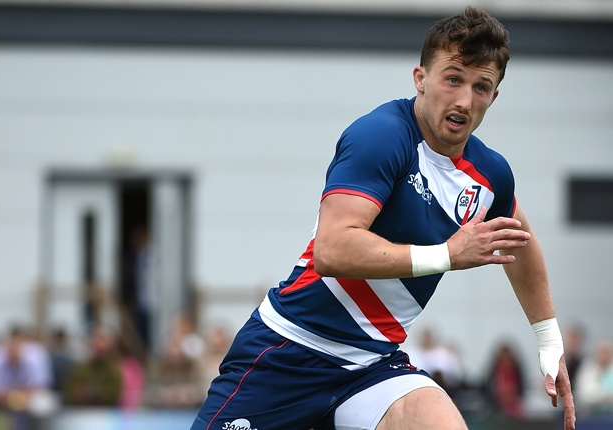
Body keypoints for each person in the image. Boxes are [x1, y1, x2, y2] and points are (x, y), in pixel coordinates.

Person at [190, 6, 575, 430]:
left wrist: (549, 341)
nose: (465, 100)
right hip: (289, 350)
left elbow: (519, 241)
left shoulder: (491, 173)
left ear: (494, 96)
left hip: (372, 367)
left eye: (481, 86)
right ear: (420, 78)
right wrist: (446, 254)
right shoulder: (381, 135)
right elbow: (332, 250)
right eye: (453, 79)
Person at [483, 341, 526, 418]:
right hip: (497, 407)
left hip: (514, 407)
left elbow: (522, 388)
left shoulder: (516, 372)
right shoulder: (494, 372)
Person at [574, 339, 613, 415]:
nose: (604, 355)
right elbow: (584, 393)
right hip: (590, 413)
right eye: (602, 352)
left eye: (607, 352)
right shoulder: (588, 368)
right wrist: (604, 396)